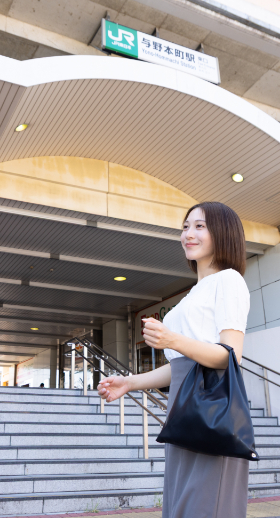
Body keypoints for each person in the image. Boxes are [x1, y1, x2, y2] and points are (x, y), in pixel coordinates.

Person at [98, 202, 250, 518]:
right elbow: (183, 364)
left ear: (222, 233)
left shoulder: (229, 280)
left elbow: (230, 356)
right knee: (179, 507)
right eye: (185, 227)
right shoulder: (194, 293)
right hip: (184, 414)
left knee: (205, 507)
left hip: (209, 415)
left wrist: (172, 339)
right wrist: (131, 382)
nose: (188, 234)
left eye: (199, 226)